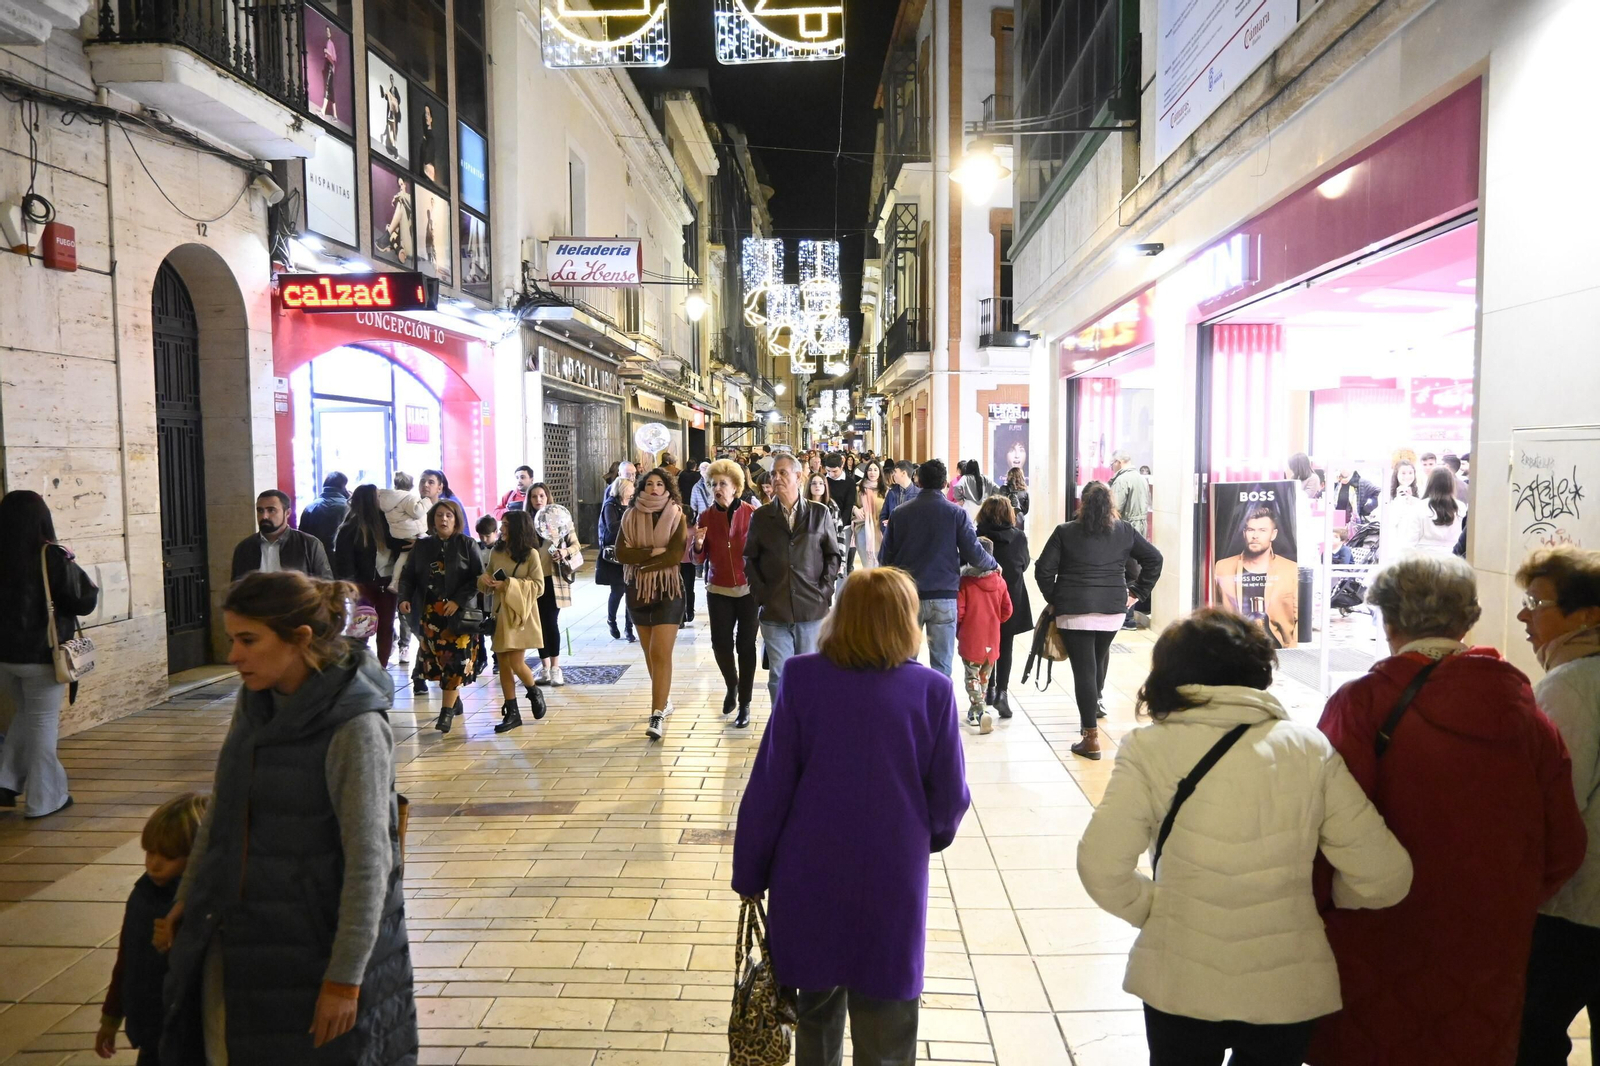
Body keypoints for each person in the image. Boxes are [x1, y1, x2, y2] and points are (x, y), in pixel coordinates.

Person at [1078, 609, 1413, 1066]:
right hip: (1285, 984)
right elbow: (1385, 875)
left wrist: (1157, 911)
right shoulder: (1307, 748)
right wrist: (1320, 904)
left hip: (1181, 978)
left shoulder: (1149, 748)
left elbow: (1101, 866)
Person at [1310, 554, 1586, 1066]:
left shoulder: (1362, 704)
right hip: (1488, 948)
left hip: (1376, 938)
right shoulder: (1524, 711)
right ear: (1468, 619)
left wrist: (1325, 907)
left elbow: (1321, 832)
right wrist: (1505, 898)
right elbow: (1565, 843)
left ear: (1388, 620)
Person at [158, 571, 417, 1066]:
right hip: (244, 936)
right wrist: (189, 895)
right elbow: (224, 806)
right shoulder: (256, 700)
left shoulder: (355, 727)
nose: (233, 656)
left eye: (248, 640)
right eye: (232, 639)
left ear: (299, 639)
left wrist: (344, 980)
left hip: (315, 946)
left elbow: (370, 862)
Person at [732, 568, 970, 1066]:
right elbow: (950, 799)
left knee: (816, 1022)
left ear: (840, 616)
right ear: (907, 622)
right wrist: (920, 837)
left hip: (810, 877)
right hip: (892, 881)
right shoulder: (932, 691)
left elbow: (771, 785)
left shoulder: (802, 678)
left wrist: (750, 872)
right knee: (888, 1031)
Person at [1514, 548, 1600, 1064]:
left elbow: (1557, 803)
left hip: (1578, 908)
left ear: (1586, 615)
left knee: (1532, 1036)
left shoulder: (1570, 686)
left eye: (1536, 603)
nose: (1523, 616)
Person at [1034, 480, 1163, 759]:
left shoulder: (1065, 531)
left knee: (1084, 670)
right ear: (1111, 505)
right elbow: (1155, 559)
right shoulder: (1124, 530)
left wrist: (1055, 598)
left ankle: (1090, 738)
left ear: (1083, 504)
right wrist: (1137, 593)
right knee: (1097, 659)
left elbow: (1043, 569)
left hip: (1073, 611)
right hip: (1112, 611)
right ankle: (1095, 705)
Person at [0, 490, 99, 818]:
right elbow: (82, 601)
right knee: (42, 724)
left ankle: (5, 782)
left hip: (4, 659)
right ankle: (44, 800)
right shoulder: (51, 555)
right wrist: (71, 563)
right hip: (41, 657)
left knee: (27, 714)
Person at [95, 792, 208, 1063]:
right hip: (148, 1027)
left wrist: (175, 942)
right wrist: (111, 1017)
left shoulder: (198, 906)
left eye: (169, 856)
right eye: (150, 852)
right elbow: (127, 958)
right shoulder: (142, 894)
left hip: (185, 1036)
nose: (154, 864)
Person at [881, 460, 997, 679]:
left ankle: (907, 700)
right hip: (944, 595)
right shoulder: (956, 514)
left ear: (918, 481)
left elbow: (885, 559)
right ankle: (939, 700)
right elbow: (974, 553)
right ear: (945, 484)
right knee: (942, 665)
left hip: (908, 596)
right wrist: (993, 564)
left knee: (904, 662)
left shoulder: (899, 513)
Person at [744, 454, 843, 703]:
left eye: (782, 473)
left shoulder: (819, 513)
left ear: (798, 477)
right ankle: (783, 722)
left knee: (809, 674)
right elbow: (750, 559)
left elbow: (832, 555)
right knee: (779, 674)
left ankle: (808, 723)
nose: (776, 478)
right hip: (774, 609)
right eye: (773, 474)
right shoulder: (761, 516)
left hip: (811, 609)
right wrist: (761, 594)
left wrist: (824, 591)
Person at [615, 469, 689, 742]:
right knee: (649, 654)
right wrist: (653, 552)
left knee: (660, 652)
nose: (654, 488)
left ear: (667, 487)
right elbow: (621, 553)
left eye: (659, 483)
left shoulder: (677, 514)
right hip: (637, 591)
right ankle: (664, 700)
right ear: (642, 487)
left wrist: (642, 560)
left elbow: (674, 555)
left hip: (668, 590)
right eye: (649, 484)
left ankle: (656, 714)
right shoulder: (630, 515)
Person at [398, 499, 484, 729]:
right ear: (432, 520)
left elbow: (478, 578)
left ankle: (445, 713)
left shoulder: (467, 544)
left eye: (448, 515)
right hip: (431, 615)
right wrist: (404, 598)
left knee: (455, 662)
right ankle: (454, 701)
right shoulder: (423, 546)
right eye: (439, 516)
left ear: (456, 520)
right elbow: (408, 575)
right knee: (439, 662)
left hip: (459, 616)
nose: (443, 519)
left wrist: (458, 601)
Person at [695, 460, 759, 728]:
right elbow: (698, 559)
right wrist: (697, 546)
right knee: (720, 645)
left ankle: (745, 703)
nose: (717, 488)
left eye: (723, 483)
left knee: (746, 646)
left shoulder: (752, 514)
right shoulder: (705, 517)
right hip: (718, 588)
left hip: (748, 590)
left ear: (735, 487)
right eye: (713, 484)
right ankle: (732, 684)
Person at [478, 510, 546, 734]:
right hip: (499, 613)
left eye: (506, 524)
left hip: (520, 615)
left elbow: (539, 586)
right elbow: (487, 577)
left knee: (516, 662)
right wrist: (485, 580)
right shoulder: (496, 551)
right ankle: (512, 712)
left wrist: (508, 585)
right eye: (502, 524)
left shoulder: (531, 554)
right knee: (503, 664)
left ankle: (534, 691)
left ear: (518, 528)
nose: (502, 528)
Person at [332, 484, 411, 668]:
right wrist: (350, 587)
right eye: (378, 496)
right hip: (368, 584)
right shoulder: (353, 527)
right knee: (366, 627)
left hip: (382, 583)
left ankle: (375, 668)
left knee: (379, 627)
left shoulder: (386, 522)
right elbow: (344, 562)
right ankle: (366, 668)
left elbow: (397, 544)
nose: (382, 499)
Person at [1213, 505, 1300, 648]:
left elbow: (1301, 617)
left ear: (1273, 534)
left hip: (1280, 648)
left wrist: (1292, 649)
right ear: (1244, 533)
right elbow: (1213, 612)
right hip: (1235, 648)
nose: (1255, 536)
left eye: (1262, 530)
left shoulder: (1290, 569)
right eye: (1250, 530)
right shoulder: (1222, 567)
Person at [976, 496, 1031, 718]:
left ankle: (988, 688)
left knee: (986, 643)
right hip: (1010, 595)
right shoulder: (1018, 537)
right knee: (1006, 644)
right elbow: (1024, 564)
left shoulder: (976, 536)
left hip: (983, 597)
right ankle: (1002, 693)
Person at [957, 536, 1013, 736]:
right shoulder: (1000, 582)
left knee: (971, 676)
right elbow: (1007, 610)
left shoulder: (965, 582)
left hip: (971, 637)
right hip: (992, 638)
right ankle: (975, 712)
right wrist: (995, 620)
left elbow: (959, 612)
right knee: (984, 677)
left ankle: (980, 710)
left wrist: (959, 629)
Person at [527, 483, 579, 687]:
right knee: (538, 625)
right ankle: (545, 667)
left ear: (548, 497)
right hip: (533, 581)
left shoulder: (560, 520)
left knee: (550, 622)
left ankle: (556, 668)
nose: (538, 500)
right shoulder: (526, 522)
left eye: (541, 495)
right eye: (534, 496)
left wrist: (564, 552)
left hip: (554, 579)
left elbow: (575, 544)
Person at [232, 490, 333, 580]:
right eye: (260, 510)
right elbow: (236, 589)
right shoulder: (244, 548)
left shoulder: (309, 544)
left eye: (271, 510)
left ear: (287, 513)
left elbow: (326, 586)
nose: (264, 516)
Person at [595, 476, 636, 643]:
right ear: (623, 489)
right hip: (614, 554)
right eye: (630, 487)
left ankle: (629, 627)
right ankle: (611, 620)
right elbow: (611, 527)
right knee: (618, 590)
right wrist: (628, 517)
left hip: (630, 552)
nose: (633, 489)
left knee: (631, 591)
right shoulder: (610, 505)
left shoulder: (632, 504)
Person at [807, 472, 849, 589]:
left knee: (827, 589)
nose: (817, 486)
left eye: (821, 483)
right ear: (809, 486)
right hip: (807, 555)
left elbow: (839, 534)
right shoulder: (803, 506)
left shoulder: (832, 506)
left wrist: (841, 560)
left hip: (827, 553)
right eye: (814, 483)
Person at [300, 472, 351, 556]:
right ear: (344, 487)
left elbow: (301, 537)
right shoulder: (349, 507)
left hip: (315, 556)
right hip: (341, 557)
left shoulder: (310, 507)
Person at [852, 460, 885, 571]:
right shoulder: (858, 488)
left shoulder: (885, 490)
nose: (872, 472)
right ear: (866, 472)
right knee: (866, 564)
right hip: (862, 529)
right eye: (870, 470)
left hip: (879, 530)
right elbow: (850, 505)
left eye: (875, 470)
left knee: (879, 565)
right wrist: (855, 509)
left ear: (880, 472)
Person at [881, 460, 919, 531]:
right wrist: (887, 532)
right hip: (894, 535)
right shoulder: (891, 493)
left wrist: (895, 523)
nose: (893, 475)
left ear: (903, 473)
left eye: (895, 472)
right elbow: (883, 516)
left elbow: (920, 520)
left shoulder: (919, 494)